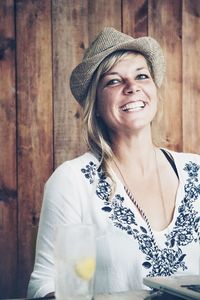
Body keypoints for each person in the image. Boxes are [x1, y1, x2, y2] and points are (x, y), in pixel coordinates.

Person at [27, 27, 200, 298]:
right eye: (114, 81)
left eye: (142, 76)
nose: (133, 87)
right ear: (95, 103)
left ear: (153, 90)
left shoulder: (197, 171)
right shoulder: (74, 182)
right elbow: (46, 286)